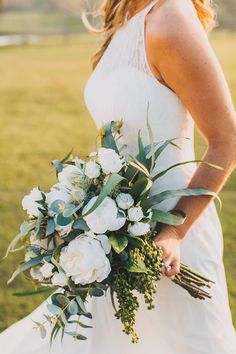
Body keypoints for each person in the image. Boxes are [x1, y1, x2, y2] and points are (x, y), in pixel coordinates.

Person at [0, 0, 236, 353]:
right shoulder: (125, 20)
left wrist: (174, 231)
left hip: (172, 236)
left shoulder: (170, 16)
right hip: (113, 237)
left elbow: (227, 140)